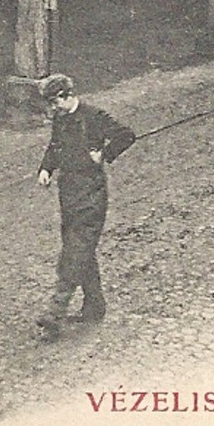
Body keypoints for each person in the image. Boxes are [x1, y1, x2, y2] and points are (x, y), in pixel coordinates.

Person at [35, 74, 136, 338]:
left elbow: (126, 135)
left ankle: (54, 314)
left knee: (74, 252)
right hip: (68, 194)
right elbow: (54, 147)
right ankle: (95, 305)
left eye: (54, 102)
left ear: (67, 96)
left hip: (91, 195)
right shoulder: (60, 120)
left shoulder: (94, 116)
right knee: (81, 249)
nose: (52, 109)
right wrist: (46, 168)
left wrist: (104, 154)